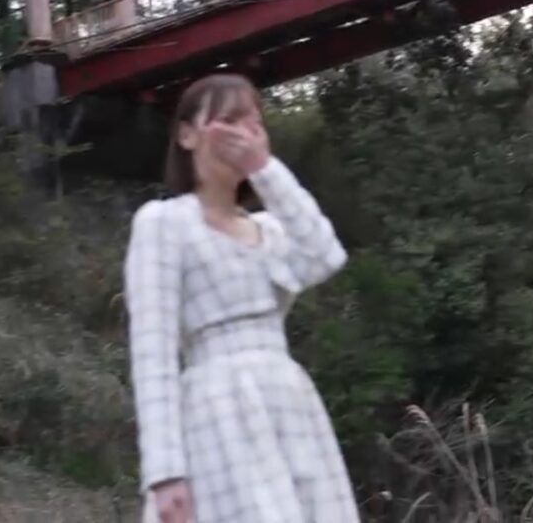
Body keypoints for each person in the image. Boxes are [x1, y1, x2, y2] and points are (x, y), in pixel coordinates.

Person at [124, 74, 360, 523]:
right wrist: (164, 472)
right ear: (187, 134)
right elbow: (152, 353)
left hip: (288, 403)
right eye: (227, 120)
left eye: (253, 123)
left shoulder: (270, 229)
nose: (242, 134)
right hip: (217, 412)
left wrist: (264, 169)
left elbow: (326, 256)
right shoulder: (164, 223)